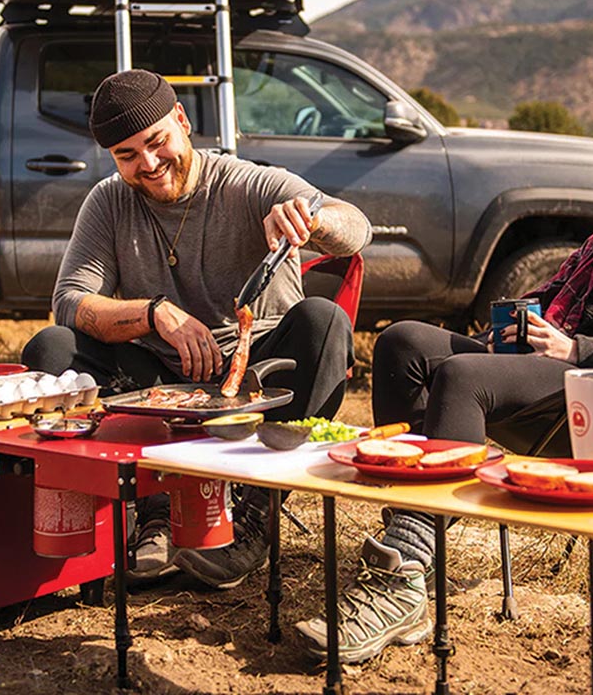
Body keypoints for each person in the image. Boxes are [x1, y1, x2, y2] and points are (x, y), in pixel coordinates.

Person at [295, 91, 593, 662]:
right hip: (556, 387)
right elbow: (544, 304)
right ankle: (416, 537)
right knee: (403, 341)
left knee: (462, 378)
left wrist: (578, 349)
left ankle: (400, 576)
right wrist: (517, 332)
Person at [22, 69, 372, 589]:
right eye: (126, 155)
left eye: (157, 142)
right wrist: (153, 313)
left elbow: (356, 227)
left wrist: (313, 220)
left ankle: (254, 512)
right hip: (159, 377)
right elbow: (68, 302)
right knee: (51, 348)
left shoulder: (246, 182)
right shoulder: (109, 201)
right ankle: (156, 510)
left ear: (182, 121)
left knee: (324, 322)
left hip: (256, 371)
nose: (148, 164)